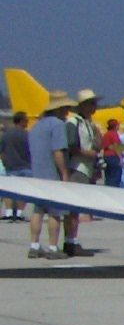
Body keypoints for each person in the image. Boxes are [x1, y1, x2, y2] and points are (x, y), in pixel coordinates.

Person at [26, 92, 72, 258]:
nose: (68, 111)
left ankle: (34, 245)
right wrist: (64, 172)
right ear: (60, 108)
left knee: (37, 210)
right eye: (66, 108)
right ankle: (53, 247)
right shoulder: (58, 125)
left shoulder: (35, 126)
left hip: (36, 172)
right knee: (55, 212)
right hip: (50, 174)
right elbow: (57, 151)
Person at [62, 88, 102, 255]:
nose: (95, 106)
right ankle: (70, 241)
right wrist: (89, 154)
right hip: (76, 168)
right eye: (92, 103)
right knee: (73, 207)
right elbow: (71, 146)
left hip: (86, 169)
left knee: (77, 208)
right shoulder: (73, 122)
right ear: (84, 105)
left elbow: (98, 144)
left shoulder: (87, 124)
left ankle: (72, 239)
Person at [1, 111, 30, 221]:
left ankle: (8, 212)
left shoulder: (6, 135)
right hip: (26, 166)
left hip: (11, 166)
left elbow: (2, 151)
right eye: (26, 120)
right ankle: (18, 213)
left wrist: (5, 162)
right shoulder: (27, 135)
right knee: (23, 191)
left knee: (10, 191)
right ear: (22, 121)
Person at [100, 118, 124, 187]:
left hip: (106, 156)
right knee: (115, 177)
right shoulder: (114, 134)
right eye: (118, 125)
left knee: (109, 176)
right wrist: (120, 158)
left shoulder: (106, 134)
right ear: (115, 126)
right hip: (113, 157)